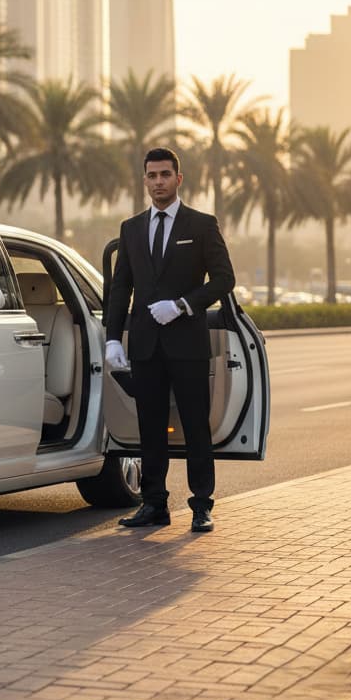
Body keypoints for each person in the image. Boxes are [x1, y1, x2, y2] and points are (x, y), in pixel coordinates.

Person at [104, 146, 235, 533]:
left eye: (165, 174)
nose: (158, 181)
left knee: (196, 426)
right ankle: (154, 504)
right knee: (151, 428)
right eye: (151, 175)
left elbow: (224, 280)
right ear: (144, 180)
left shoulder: (201, 225)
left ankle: (201, 506)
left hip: (188, 345)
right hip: (144, 345)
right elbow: (121, 288)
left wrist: (181, 305)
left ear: (179, 179)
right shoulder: (131, 229)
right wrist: (113, 339)